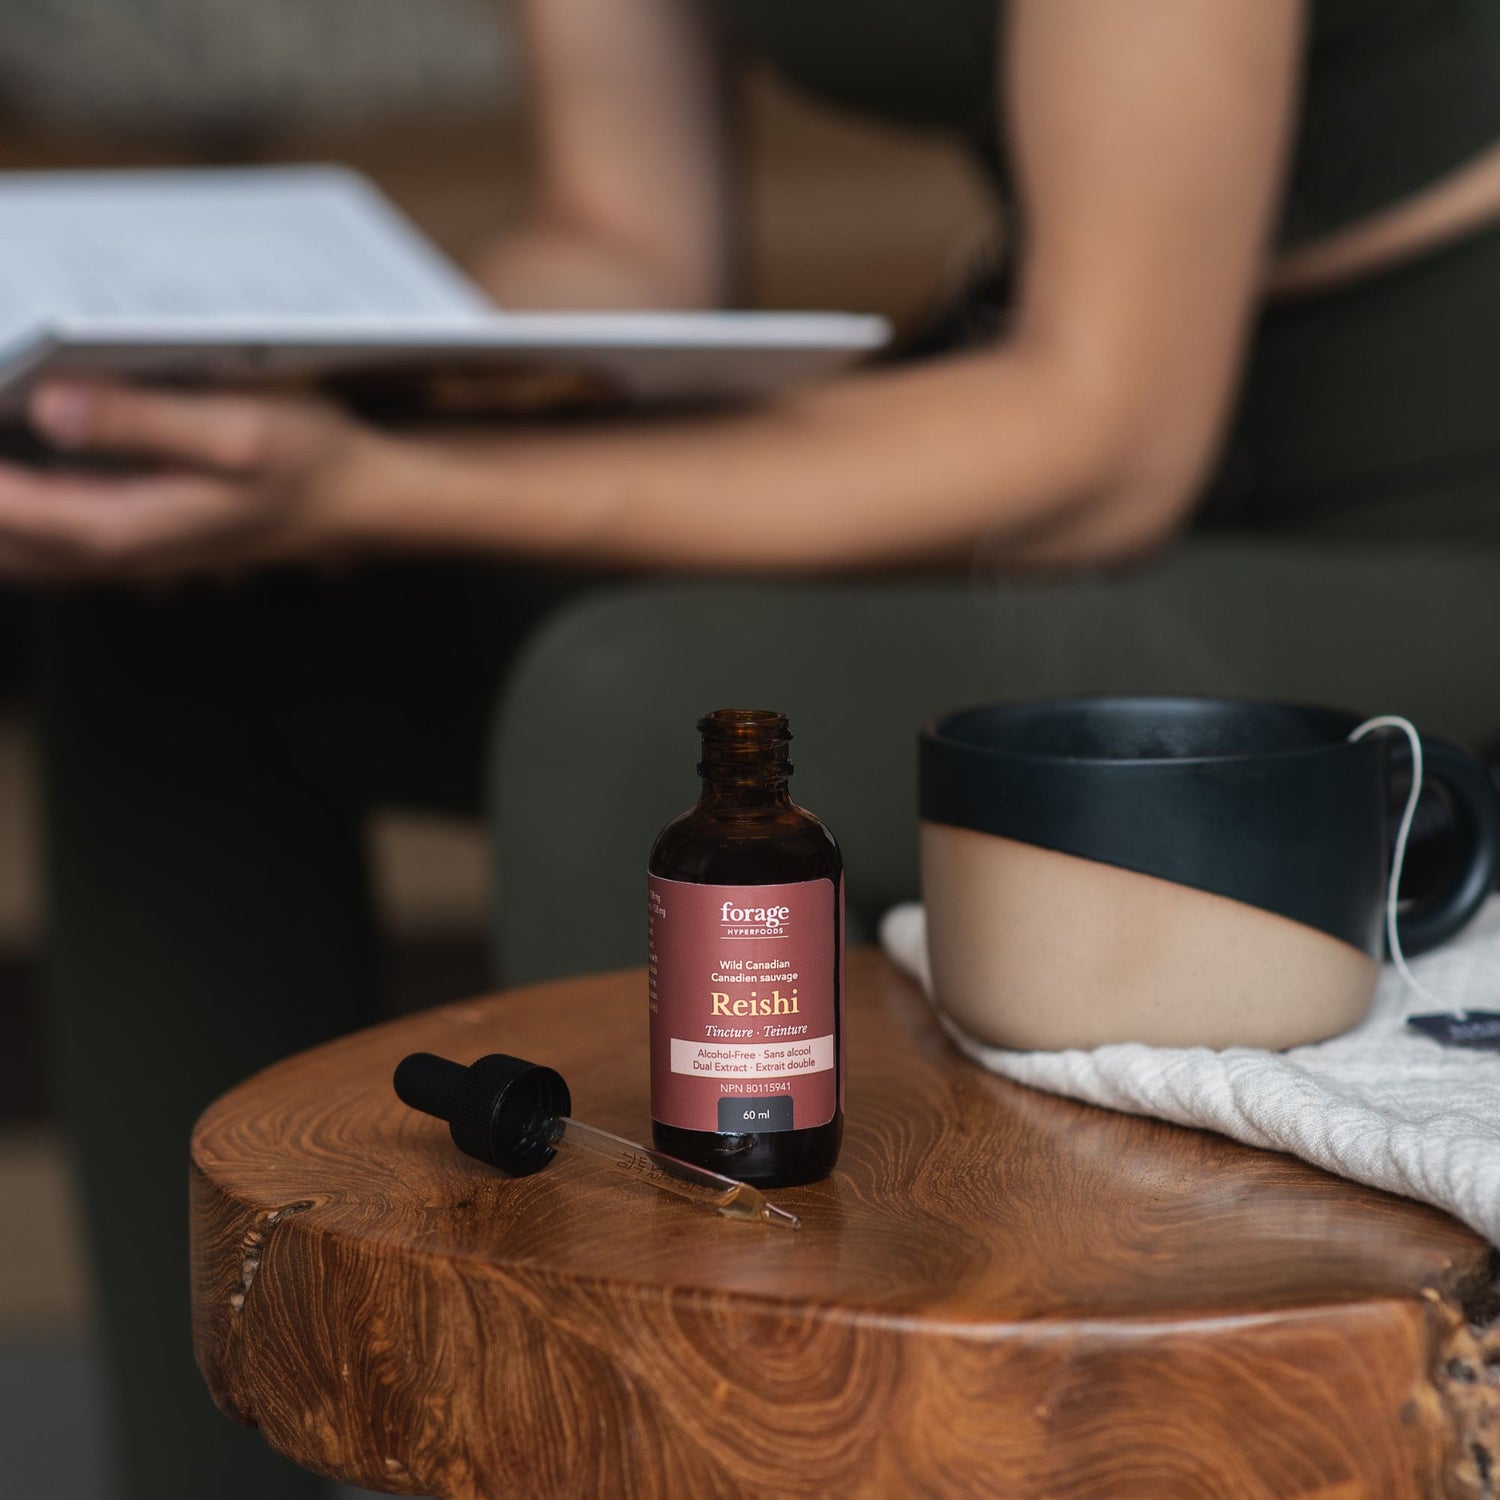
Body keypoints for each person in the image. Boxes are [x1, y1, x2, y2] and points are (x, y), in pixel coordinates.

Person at [17, 2, 1500, 1496]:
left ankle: (666, 1443)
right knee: (186, 619)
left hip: (1410, 486)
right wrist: (252, 384)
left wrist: (380, 482)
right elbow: (627, 245)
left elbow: (1105, 438)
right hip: (1021, 398)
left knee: (623, 704)